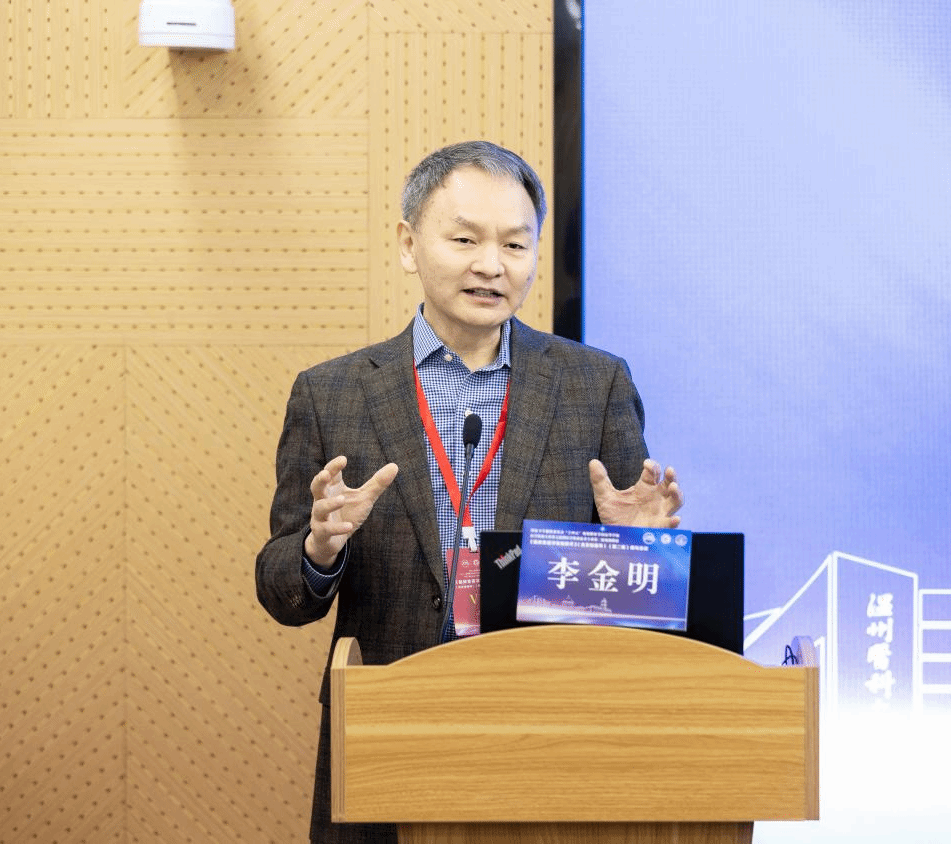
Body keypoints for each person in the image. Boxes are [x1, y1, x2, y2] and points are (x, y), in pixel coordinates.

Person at [254, 140, 683, 844]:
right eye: (465, 240)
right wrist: (319, 547)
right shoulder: (332, 392)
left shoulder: (594, 383)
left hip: (549, 736)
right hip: (389, 735)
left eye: (515, 243)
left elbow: (646, 608)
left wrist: (642, 546)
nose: (492, 264)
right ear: (408, 244)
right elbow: (281, 593)